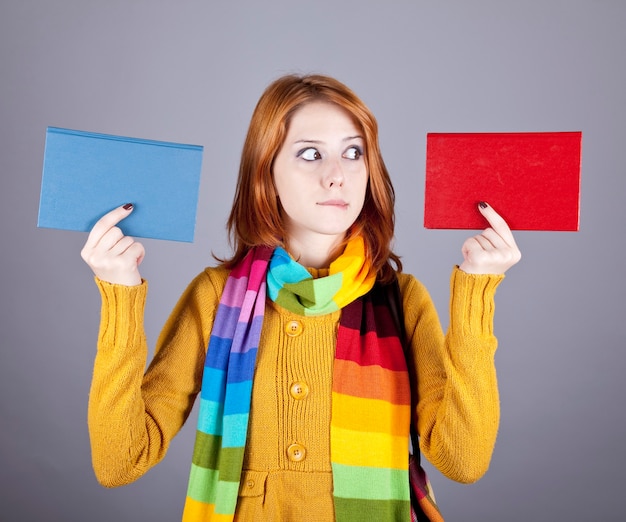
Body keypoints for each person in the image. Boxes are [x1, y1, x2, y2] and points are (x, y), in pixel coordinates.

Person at [80, 74, 521, 522]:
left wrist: (477, 292)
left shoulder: (401, 300)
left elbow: (463, 462)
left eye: (354, 152)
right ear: (266, 173)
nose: (337, 176)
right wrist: (119, 293)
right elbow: (121, 462)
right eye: (311, 154)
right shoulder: (216, 297)